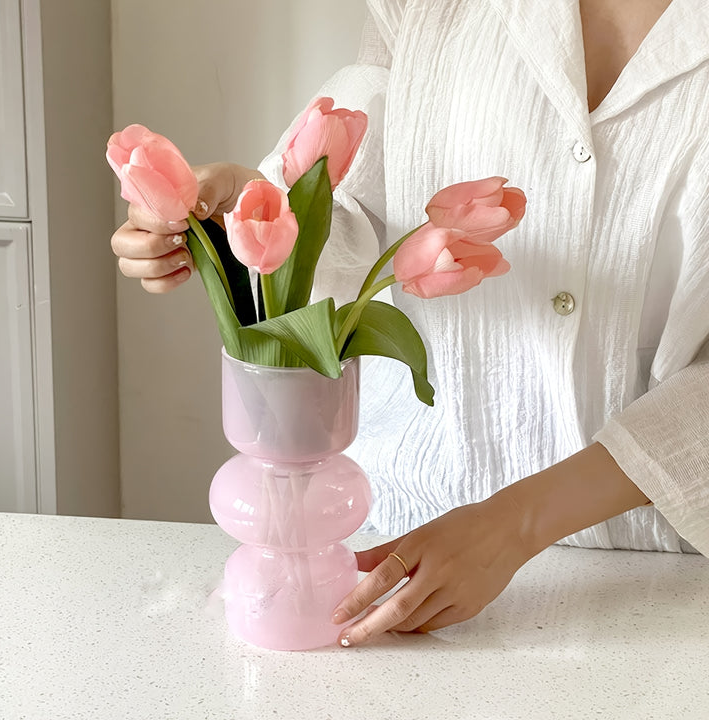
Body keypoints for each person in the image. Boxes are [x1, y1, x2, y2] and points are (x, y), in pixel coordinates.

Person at [111, 0, 709, 647]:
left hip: (653, 576)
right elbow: (358, 217)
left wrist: (515, 522)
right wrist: (248, 217)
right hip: (397, 551)